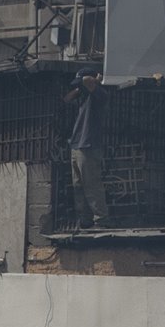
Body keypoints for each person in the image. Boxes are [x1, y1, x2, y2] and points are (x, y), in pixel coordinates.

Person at [63, 67, 110, 226]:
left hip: (89, 145)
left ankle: (101, 219)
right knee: (78, 186)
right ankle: (84, 220)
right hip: (77, 144)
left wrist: (95, 79)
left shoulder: (99, 95)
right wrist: (78, 88)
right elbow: (66, 99)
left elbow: (87, 81)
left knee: (91, 184)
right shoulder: (82, 97)